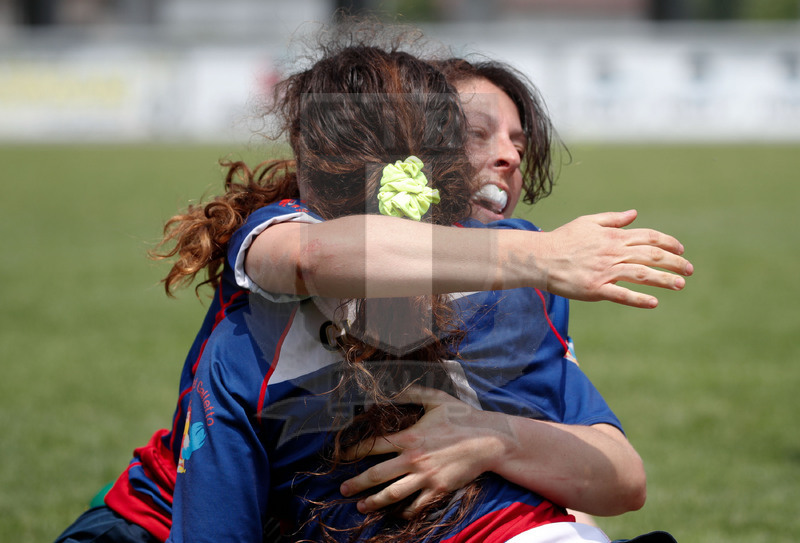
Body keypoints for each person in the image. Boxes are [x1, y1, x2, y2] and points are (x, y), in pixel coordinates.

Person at [52, 33, 687, 543]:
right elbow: (322, 257)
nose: (509, 156)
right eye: (476, 133)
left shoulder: (514, 285)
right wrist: (541, 255)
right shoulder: (287, 224)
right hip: (161, 517)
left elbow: (622, 477)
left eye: (519, 140)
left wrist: (494, 437)